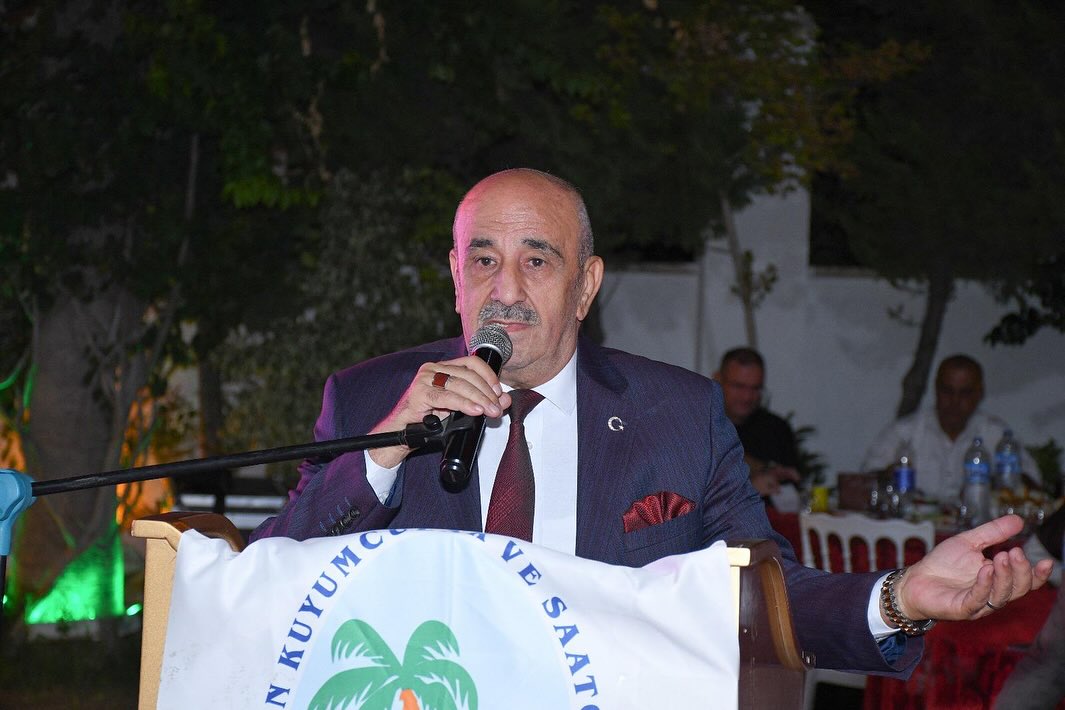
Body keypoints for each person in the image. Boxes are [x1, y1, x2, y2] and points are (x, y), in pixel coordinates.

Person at [253, 168, 1052, 677]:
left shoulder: (676, 415)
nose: (506, 289)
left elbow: (758, 594)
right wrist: (386, 454)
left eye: (537, 260)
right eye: (483, 259)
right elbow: (269, 577)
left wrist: (902, 595)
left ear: (586, 286)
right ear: (454, 276)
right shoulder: (371, 399)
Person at [862, 355, 1035, 504]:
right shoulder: (904, 431)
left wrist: (991, 484)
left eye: (964, 393)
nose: (954, 401)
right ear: (936, 389)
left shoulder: (996, 434)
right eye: (947, 391)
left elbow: (1033, 483)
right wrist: (888, 475)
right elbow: (864, 481)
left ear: (979, 394)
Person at [713, 347, 801, 499]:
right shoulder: (697, 425)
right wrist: (748, 487)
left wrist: (773, 473)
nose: (747, 397)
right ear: (717, 380)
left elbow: (791, 492)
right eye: (738, 386)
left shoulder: (776, 429)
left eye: (755, 388)